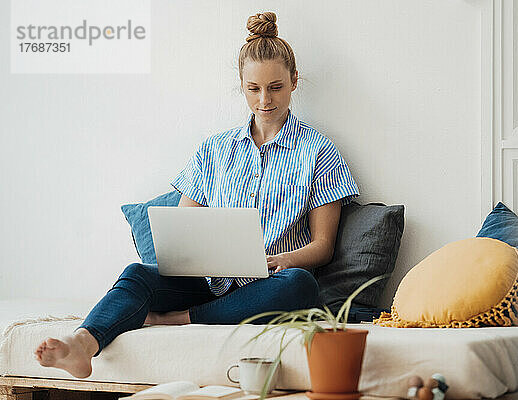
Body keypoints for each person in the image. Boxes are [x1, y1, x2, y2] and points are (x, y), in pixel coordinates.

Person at [33, 11, 359, 379]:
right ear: (241, 85)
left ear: (294, 81)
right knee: (137, 273)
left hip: (270, 286)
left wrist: (282, 259)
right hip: (207, 283)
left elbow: (323, 246)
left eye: (276, 87)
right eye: (253, 89)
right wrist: (189, 255)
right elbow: (184, 228)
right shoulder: (214, 149)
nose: (264, 99)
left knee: (301, 284)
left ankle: (180, 319)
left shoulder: (319, 151)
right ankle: (83, 343)